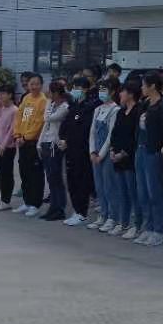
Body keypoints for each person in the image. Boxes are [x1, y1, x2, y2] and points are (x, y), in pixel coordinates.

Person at [131, 74, 163, 245]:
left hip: (154, 152)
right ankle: (147, 227)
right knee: (142, 192)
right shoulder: (144, 104)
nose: (142, 88)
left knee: (154, 192)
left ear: (153, 86)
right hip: (141, 149)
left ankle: (159, 230)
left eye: (144, 85)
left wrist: (162, 152)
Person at [103, 81, 141, 236]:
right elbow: (115, 133)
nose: (120, 94)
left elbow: (135, 137)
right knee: (121, 192)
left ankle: (135, 224)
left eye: (122, 92)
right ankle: (122, 222)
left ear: (130, 94)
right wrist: (113, 150)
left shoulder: (138, 111)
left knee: (133, 192)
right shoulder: (121, 111)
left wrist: (123, 153)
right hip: (117, 157)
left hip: (130, 157)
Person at [61, 76, 96, 226]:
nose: (75, 90)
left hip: (82, 150)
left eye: (78, 88)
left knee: (82, 181)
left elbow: (85, 130)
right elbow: (65, 126)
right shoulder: (73, 106)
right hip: (70, 150)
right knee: (72, 181)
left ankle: (82, 212)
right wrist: (63, 139)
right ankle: (76, 210)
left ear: (86, 89)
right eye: (74, 87)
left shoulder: (89, 108)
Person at [13, 74, 48, 216]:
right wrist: (17, 135)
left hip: (34, 142)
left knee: (35, 174)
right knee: (24, 172)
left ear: (41, 85)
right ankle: (27, 201)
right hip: (22, 141)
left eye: (37, 84)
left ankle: (35, 203)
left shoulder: (43, 101)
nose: (34, 87)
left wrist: (26, 137)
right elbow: (20, 117)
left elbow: (39, 123)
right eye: (31, 84)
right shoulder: (27, 98)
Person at [88, 79, 120, 227]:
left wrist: (101, 154)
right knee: (99, 186)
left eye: (104, 90)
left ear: (112, 92)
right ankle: (103, 214)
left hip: (106, 153)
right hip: (95, 152)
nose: (101, 92)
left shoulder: (115, 110)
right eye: (100, 89)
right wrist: (92, 151)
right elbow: (92, 133)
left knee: (109, 186)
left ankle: (112, 217)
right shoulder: (97, 109)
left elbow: (110, 136)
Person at [36, 81, 70, 221]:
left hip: (55, 145)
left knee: (56, 177)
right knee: (50, 177)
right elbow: (46, 124)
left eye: (50, 92)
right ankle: (53, 207)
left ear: (56, 93)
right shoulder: (51, 105)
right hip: (46, 142)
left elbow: (47, 118)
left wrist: (49, 103)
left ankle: (59, 208)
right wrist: (39, 143)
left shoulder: (64, 107)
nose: (47, 94)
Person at [0, 84, 19, 210]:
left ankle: (6, 200)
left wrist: (3, 146)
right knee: (1, 173)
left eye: (2, 94)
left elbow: (12, 130)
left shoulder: (14, 110)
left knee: (6, 173)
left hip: (7, 147)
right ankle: (3, 199)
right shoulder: (0, 108)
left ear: (10, 95)